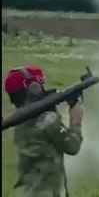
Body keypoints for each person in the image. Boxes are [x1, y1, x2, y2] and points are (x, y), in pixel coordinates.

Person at [4, 66, 84, 197]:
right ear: (33, 89)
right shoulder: (47, 120)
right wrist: (76, 118)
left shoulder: (20, 121)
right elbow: (73, 146)